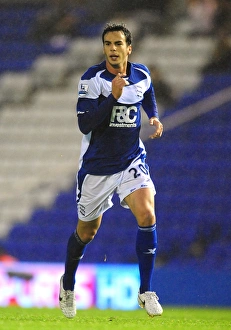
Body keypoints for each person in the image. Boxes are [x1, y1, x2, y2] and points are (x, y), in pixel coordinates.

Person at [59, 23, 163, 319]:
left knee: (147, 215)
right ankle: (67, 285)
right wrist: (112, 97)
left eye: (118, 44)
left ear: (129, 48)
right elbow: (85, 124)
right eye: (108, 44)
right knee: (87, 232)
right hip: (98, 167)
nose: (113, 49)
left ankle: (145, 291)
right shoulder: (92, 80)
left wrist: (153, 116)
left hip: (131, 159)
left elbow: (148, 92)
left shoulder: (141, 73)